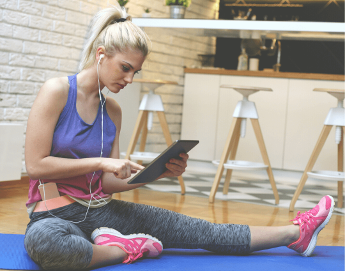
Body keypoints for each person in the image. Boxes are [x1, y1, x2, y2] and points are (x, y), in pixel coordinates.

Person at [24, 3, 335, 270]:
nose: (130, 79)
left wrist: (157, 174)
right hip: (55, 213)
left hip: (102, 209)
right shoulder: (57, 92)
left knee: (200, 231)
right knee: (46, 243)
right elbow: (36, 166)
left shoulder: (113, 111)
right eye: (125, 68)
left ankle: (296, 233)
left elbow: (105, 185)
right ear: (101, 54)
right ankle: (127, 248)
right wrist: (104, 161)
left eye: (136, 72)